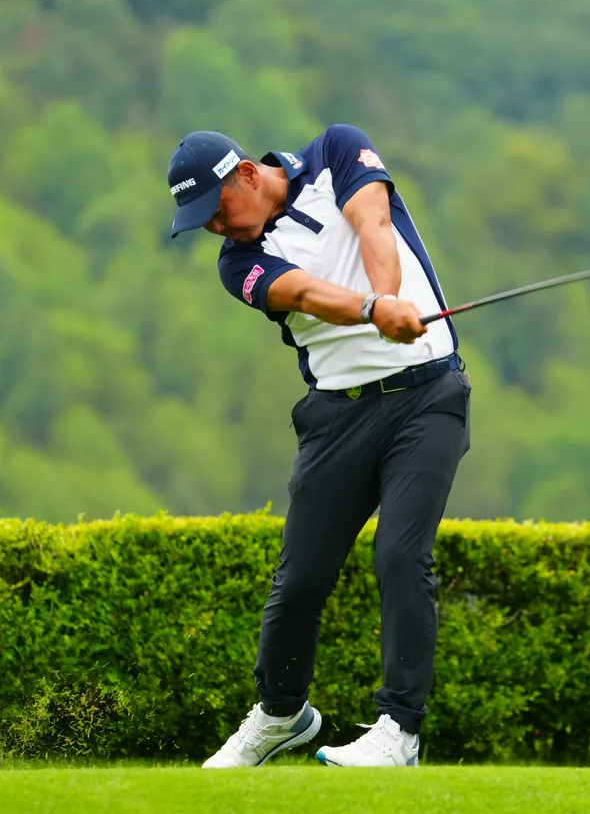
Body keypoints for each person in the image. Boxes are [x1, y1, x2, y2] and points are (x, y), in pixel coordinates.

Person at [165, 125, 471, 768]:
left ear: (248, 174)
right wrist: (373, 309)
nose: (217, 227)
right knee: (301, 577)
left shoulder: (335, 151)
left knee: (400, 555)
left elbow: (373, 223)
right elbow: (304, 294)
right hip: (337, 418)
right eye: (204, 223)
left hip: (427, 398)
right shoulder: (238, 264)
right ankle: (282, 715)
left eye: (218, 209)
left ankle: (400, 731)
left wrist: (387, 298)